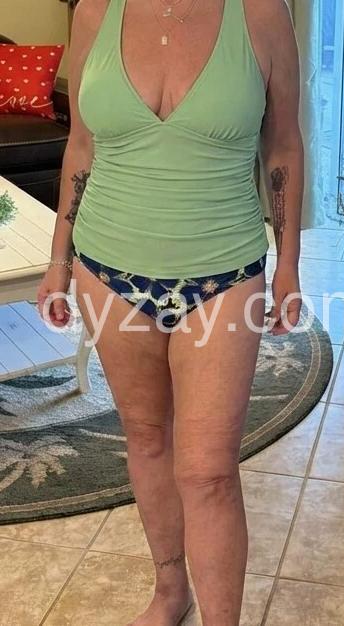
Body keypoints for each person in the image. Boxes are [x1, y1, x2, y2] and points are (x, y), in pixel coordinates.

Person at [37, 0, 304, 624]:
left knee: (209, 470)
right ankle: (169, 590)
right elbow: (81, 146)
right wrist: (58, 260)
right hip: (107, 268)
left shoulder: (261, 13)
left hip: (224, 272)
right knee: (148, 438)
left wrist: (287, 265)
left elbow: (283, 146)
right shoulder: (95, 12)